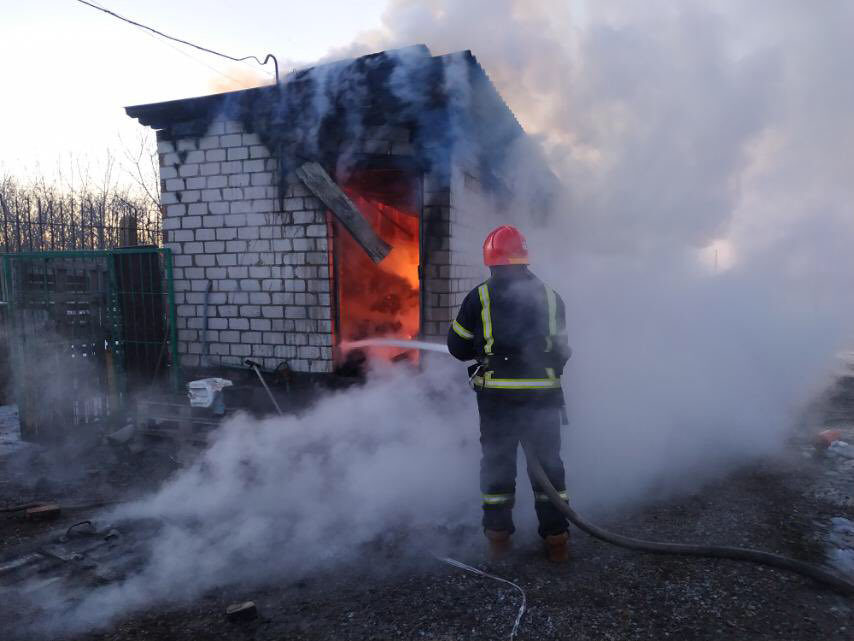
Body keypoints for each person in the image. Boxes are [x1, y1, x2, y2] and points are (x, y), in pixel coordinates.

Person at [447, 225, 572, 562]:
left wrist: (482, 348)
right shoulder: (551, 297)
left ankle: (498, 539)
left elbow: (457, 347)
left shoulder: (479, 298)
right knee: (548, 468)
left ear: (491, 261)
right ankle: (557, 540)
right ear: (524, 259)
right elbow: (562, 349)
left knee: (498, 466)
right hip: (543, 398)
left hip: (497, 400)